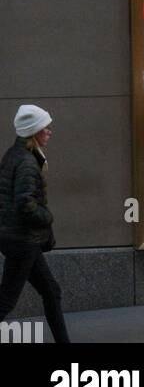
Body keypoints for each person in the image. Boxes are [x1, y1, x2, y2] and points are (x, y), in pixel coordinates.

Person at [0, 105, 71, 343]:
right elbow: (24, 203)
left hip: (19, 239)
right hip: (22, 240)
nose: (50, 131)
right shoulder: (28, 162)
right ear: (34, 132)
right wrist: (47, 216)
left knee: (51, 290)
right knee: (6, 300)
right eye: (45, 127)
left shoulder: (14, 155)